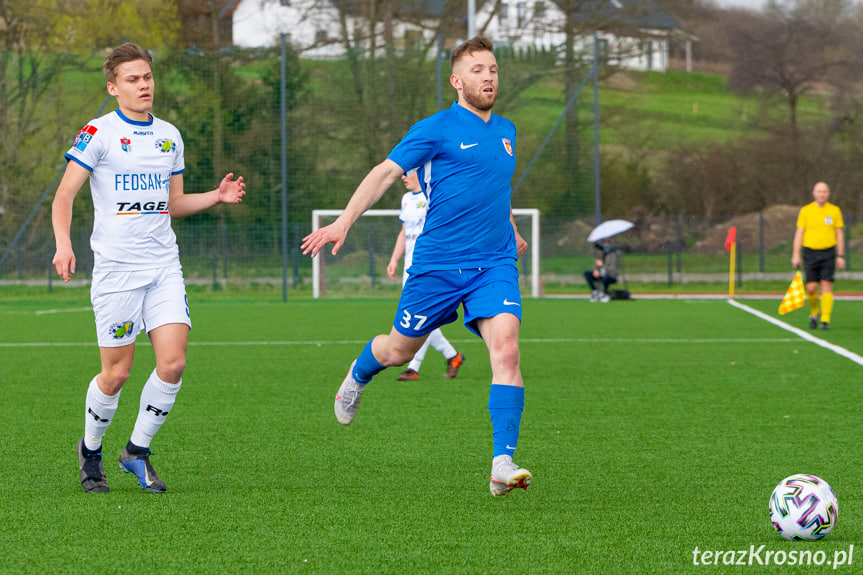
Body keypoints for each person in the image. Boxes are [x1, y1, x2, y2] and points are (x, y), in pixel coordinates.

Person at [302, 36, 532, 497]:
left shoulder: (505, 130)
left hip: (493, 262)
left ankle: (501, 463)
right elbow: (385, 173)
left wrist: (509, 225)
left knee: (506, 351)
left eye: (493, 69)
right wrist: (344, 221)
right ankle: (359, 374)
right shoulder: (435, 128)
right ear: (456, 80)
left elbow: (489, 186)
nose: (488, 77)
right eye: (478, 70)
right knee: (398, 352)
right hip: (437, 266)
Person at [52, 43, 246, 494]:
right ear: (113, 87)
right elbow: (64, 196)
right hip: (117, 271)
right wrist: (64, 244)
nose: (144, 86)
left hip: (163, 266)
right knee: (116, 373)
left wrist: (215, 197)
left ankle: (136, 452)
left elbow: (173, 204)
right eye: (133, 79)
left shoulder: (169, 136)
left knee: (174, 363)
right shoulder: (96, 133)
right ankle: (92, 451)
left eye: (147, 77)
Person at [386, 169, 464, 381]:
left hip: (430, 263)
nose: (403, 177)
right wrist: (394, 259)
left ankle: (414, 368)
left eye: (407, 172)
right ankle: (453, 355)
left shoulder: (433, 195)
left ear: (419, 174)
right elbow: (404, 232)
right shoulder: (406, 199)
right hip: (409, 265)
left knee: (419, 314)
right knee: (419, 315)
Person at [791, 181, 845, 330]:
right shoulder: (806, 210)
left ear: (828, 193)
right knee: (811, 288)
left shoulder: (834, 211)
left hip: (828, 252)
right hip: (810, 253)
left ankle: (825, 320)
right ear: (814, 193)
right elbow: (799, 233)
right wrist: (796, 254)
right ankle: (815, 312)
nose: (822, 194)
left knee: (827, 284)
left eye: (824, 191)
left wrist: (840, 255)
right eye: (819, 191)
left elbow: (839, 233)